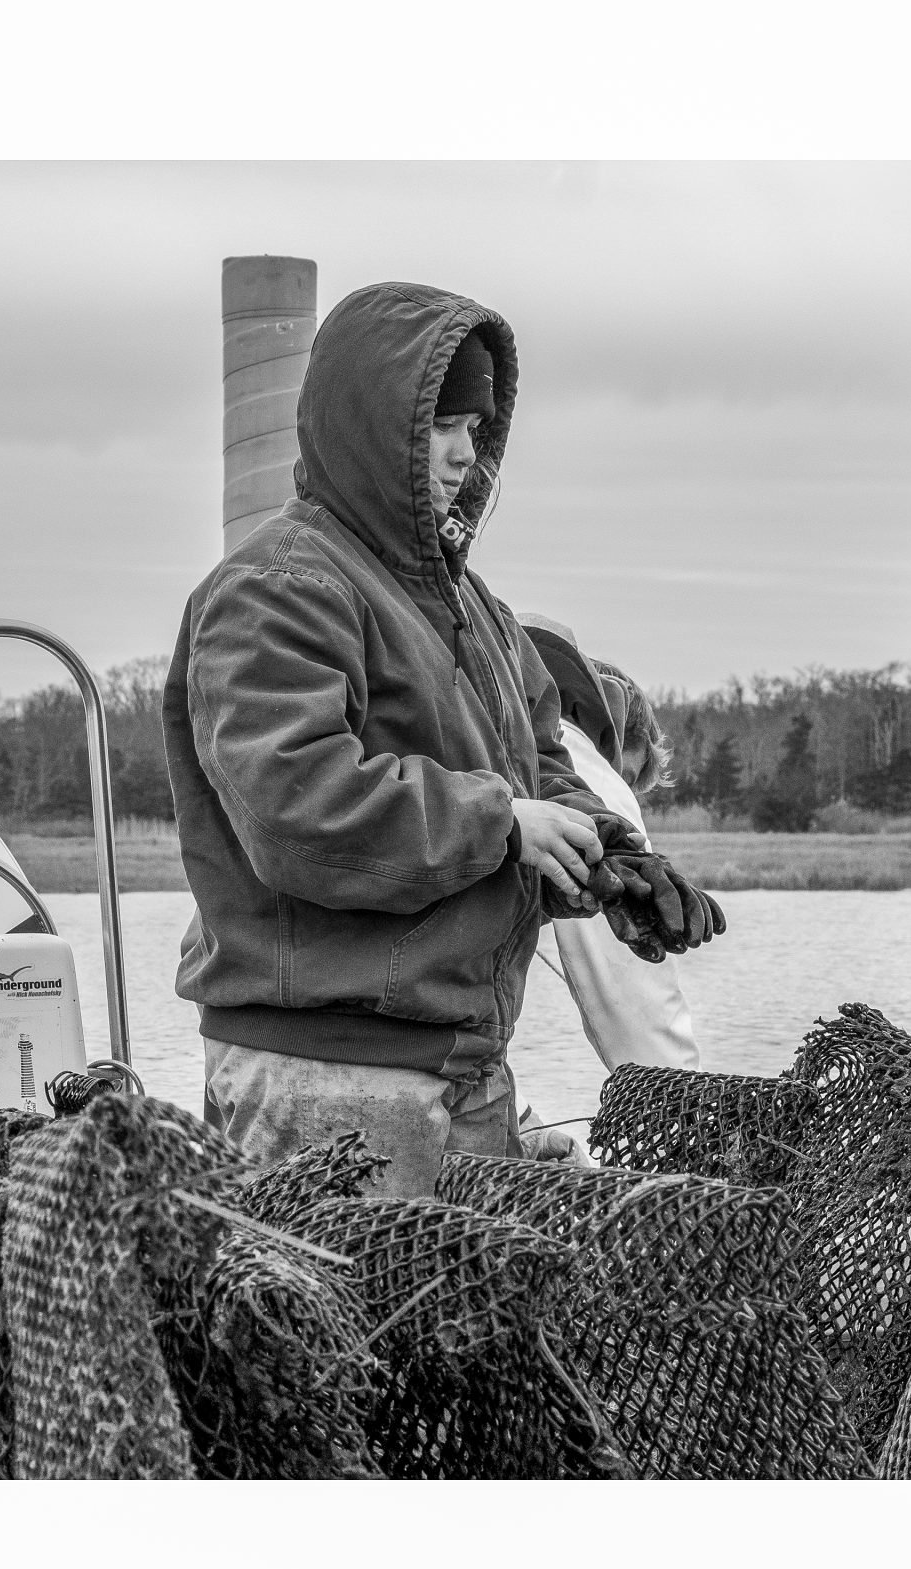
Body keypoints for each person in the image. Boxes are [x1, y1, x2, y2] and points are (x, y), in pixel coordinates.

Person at [159, 282, 640, 1198]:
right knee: (342, 1342)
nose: (466, 453)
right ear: (370, 426)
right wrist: (505, 826)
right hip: (329, 1082)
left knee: (450, 1344)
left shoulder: (472, 605)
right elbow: (296, 806)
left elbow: (537, 760)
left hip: (458, 1064)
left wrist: (605, 856)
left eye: (477, 426)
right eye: (439, 427)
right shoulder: (277, 587)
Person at [517, 614, 704, 1078]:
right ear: (612, 723)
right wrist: (681, 1104)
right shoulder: (571, 746)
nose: (621, 806)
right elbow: (631, 982)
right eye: (622, 778)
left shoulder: (472, 706)